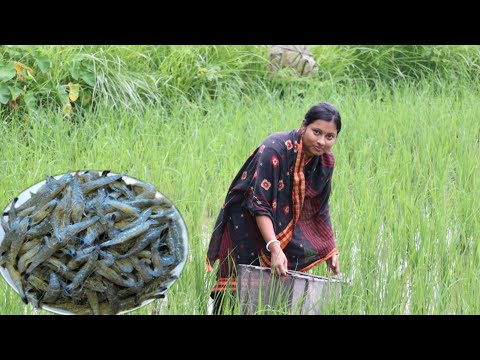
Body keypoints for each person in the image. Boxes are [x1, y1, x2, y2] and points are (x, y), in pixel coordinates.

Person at [206, 102, 342, 314]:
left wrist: (329, 248)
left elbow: (320, 207)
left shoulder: (325, 161)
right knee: (235, 288)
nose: (321, 141)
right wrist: (275, 247)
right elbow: (260, 204)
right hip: (245, 218)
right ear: (303, 126)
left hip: (280, 222)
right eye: (317, 132)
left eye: (329, 136)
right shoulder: (275, 149)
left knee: (274, 291)